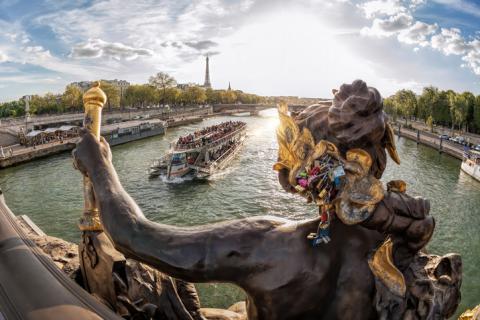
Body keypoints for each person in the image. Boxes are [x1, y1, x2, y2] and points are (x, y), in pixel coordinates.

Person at [73, 80, 460, 320]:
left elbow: (135, 236)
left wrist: (99, 164)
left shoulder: (269, 244)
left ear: (307, 171)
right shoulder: (400, 241)